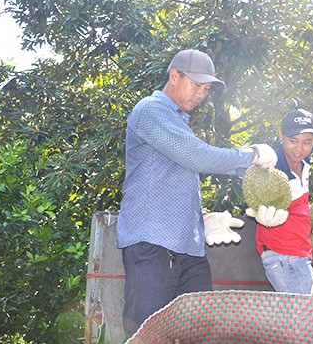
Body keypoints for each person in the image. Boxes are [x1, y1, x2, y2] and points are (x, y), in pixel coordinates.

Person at [116, 49, 278, 338]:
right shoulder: (151, 110)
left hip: (188, 250)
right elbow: (197, 157)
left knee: (201, 332)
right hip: (153, 246)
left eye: (206, 89)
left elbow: (173, 181)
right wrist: (250, 155)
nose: (201, 94)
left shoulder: (179, 121)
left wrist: (202, 217)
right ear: (174, 77)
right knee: (148, 335)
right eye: (196, 85)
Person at [246, 109, 313, 294]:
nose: (299, 149)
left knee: (303, 317)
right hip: (282, 255)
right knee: (305, 317)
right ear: (281, 135)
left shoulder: (305, 163)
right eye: (293, 141)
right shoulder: (270, 168)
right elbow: (254, 198)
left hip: (300, 251)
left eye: (307, 142)